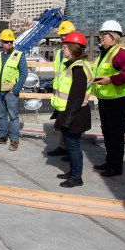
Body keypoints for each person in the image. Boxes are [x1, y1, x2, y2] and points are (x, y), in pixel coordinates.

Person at [91, 20, 125, 177]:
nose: (100, 37)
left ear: (112, 35)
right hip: (106, 99)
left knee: (116, 134)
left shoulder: (120, 52)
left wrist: (110, 79)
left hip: (119, 100)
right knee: (107, 132)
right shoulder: (105, 53)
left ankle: (116, 167)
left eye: (103, 34)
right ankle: (109, 161)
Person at [50, 32, 92, 188]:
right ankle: (73, 172)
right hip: (70, 113)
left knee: (74, 146)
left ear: (73, 48)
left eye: (65, 46)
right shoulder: (73, 66)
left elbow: (76, 99)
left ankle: (76, 177)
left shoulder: (78, 69)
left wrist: (67, 121)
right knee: (71, 145)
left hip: (75, 114)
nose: (63, 49)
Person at [0, 28, 28, 151]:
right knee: (1, 115)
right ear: (2, 42)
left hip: (11, 92)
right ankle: (2, 137)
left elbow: (24, 73)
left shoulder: (19, 55)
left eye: (10, 41)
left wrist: (16, 89)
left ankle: (14, 140)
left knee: (13, 116)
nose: (9, 43)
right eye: (6, 41)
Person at [47, 20, 76, 157]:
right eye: (62, 35)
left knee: (70, 123)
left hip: (71, 92)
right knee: (62, 121)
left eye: (66, 34)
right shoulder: (58, 51)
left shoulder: (76, 51)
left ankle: (70, 151)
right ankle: (62, 146)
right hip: (60, 91)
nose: (63, 37)